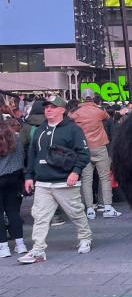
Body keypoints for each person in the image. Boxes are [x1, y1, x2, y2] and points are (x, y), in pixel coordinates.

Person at [19, 94, 92, 264]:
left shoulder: (73, 129)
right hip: (43, 182)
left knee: (76, 212)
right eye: (46, 107)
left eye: (52, 107)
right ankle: (38, 250)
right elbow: (32, 154)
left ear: (62, 110)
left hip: (65, 181)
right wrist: (29, 176)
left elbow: (84, 153)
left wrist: (76, 171)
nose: (48, 110)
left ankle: (85, 237)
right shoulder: (40, 130)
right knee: (40, 216)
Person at [69, 89, 121, 219]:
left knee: (86, 180)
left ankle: (90, 209)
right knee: (104, 177)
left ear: (81, 98)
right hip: (100, 146)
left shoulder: (76, 113)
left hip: (84, 148)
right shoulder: (99, 111)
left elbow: (69, 118)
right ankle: (107, 207)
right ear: (93, 97)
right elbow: (107, 117)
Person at [0, 118, 27, 257]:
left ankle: (3, 247)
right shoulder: (15, 137)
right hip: (14, 177)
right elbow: (21, 157)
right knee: (13, 212)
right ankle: (20, 244)